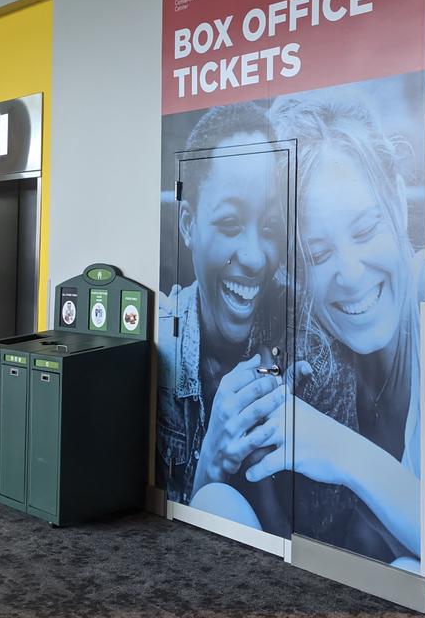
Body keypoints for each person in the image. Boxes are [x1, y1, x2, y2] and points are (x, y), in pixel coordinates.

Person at [252, 93, 424, 569]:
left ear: (395, 198)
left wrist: (338, 450)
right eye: (318, 254)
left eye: (366, 230)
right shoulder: (312, 351)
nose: (349, 273)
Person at [156, 102, 296, 533]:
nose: (255, 257)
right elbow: (156, 526)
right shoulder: (161, 344)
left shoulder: (309, 333)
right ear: (188, 225)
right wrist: (212, 459)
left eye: (270, 226)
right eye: (231, 223)